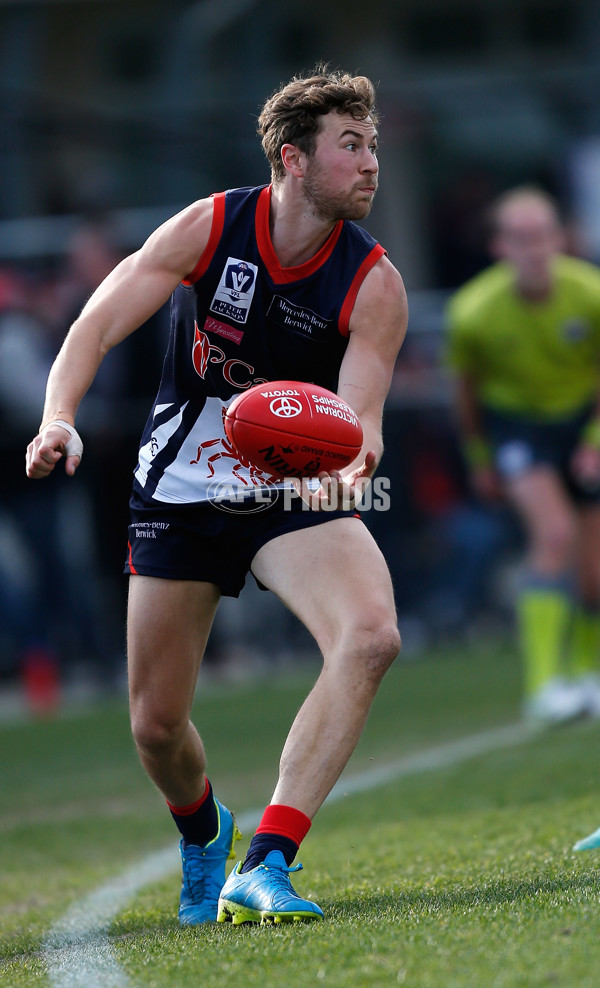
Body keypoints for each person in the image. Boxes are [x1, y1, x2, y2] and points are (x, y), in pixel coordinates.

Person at [26, 68, 407, 925]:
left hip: (287, 488)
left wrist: (350, 466)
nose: (371, 162)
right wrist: (59, 419)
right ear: (292, 159)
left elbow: (362, 420)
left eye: (373, 145)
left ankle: (266, 860)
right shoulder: (214, 224)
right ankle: (205, 831)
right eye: (352, 145)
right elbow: (93, 323)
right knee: (157, 728)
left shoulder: (374, 284)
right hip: (180, 483)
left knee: (372, 634)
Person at [446, 186, 600, 725]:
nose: (532, 248)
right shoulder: (473, 313)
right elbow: (465, 390)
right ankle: (543, 685)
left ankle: (586, 672)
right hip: (515, 426)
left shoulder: (590, 294)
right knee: (554, 534)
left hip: (582, 421)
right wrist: (480, 457)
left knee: (593, 570)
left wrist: (594, 443)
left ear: (561, 239)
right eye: (519, 237)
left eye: (541, 235)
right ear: (499, 247)